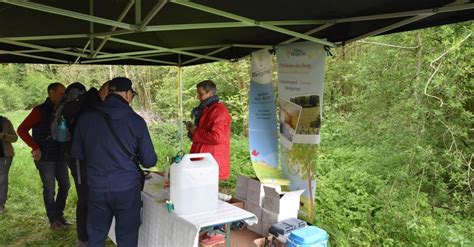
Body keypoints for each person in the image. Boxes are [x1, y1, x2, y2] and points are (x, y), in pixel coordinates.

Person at [72, 77, 157, 247]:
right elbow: (149, 161)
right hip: (126, 188)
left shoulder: (86, 118)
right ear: (126, 94)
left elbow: (77, 153)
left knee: (96, 236)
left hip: (96, 186)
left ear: (109, 93)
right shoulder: (136, 121)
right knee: (127, 236)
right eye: (131, 95)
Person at [17, 82, 71, 230]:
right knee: (49, 189)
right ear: (51, 93)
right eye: (61, 93)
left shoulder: (64, 110)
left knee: (65, 185)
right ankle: (53, 220)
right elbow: (21, 130)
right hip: (45, 156)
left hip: (60, 154)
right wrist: (35, 147)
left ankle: (59, 214)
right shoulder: (39, 111)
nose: (64, 96)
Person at [186, 80, 232, 180]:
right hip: (203, 159)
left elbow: (216, 137)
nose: (198, 97)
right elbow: (203, 133)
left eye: (201, 94)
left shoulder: (219, 110)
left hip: (211, 162)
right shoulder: (206, 109)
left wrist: (194, 130)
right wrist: (192, 130)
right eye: (198, 93)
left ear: (210, 93)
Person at [0, 115, 18, 213]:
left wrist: (4, 136)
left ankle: (0, 204)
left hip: (4, 156)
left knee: (2, 180)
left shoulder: (5, 122)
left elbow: (15, 138)